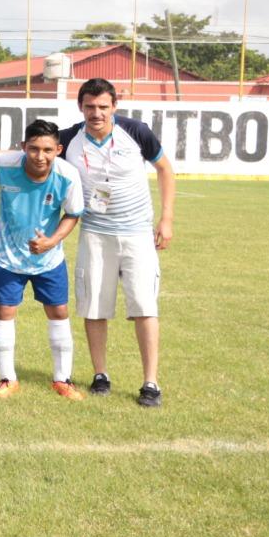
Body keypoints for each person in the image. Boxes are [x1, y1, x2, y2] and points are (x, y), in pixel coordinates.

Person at [59, 78, 175, 408]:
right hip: (94, 233)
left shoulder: (136, 132)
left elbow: (166, 169)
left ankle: (150, 382)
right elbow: (25, 152)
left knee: (144, 306)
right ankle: (100, 374)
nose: (96, 113)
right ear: (80, 106)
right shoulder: (69, 139)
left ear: (115, 106)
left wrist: (166, 219)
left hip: (138, 234)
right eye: (90, 107)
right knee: (94, 306)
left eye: (103, 107)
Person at [0, 120, 85, 399]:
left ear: (58, 149)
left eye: (47, 149)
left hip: (49, 259)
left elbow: (73, 214)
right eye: (33, 149)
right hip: (7, 256)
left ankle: (62, 379)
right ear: (23, 147)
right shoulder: (5, 165)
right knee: (5, 312)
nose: (40, 156)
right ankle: (7, 378)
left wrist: (51, 241)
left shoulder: (68, 175)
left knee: (58, 313)